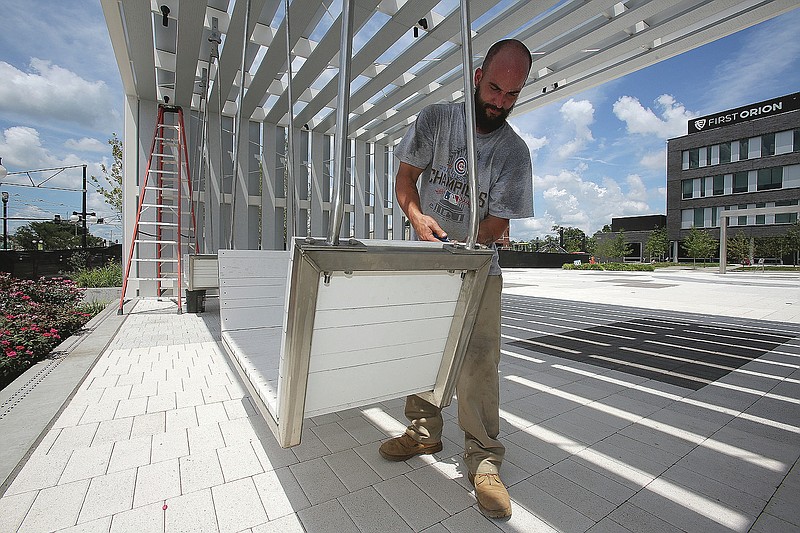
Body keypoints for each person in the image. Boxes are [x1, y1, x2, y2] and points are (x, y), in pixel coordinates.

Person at [378, 39, 534, 519]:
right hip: (429, 257)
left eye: (512, 94)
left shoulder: (514, 151)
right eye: (494, 88)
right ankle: (424, 432)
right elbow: (405, 181)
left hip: (479, 266)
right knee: (421, 347)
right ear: (476, 75)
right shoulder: (436, 120)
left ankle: (484, 459)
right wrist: (418, 219)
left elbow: (499, 224)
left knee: (479, 361)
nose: (500, 102)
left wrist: (464, 248)